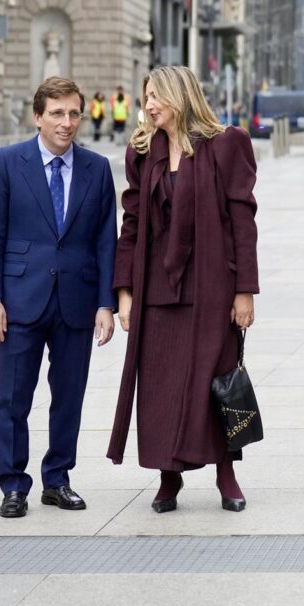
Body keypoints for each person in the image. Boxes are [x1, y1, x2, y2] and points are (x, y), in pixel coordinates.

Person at [106, 65, 259, 513]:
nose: (149, 104)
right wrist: (125, 291)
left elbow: (243, 222)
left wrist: (244, 290)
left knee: (213, 381)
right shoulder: (142, 150)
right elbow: (131, 223)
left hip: (213, 284)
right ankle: (167, 476)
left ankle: (225, 474)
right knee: (159, 386)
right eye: (146, 96)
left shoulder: (227, 143)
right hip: (157, 288)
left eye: (157, 96)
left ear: (181, 95)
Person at [0, 76, 117, 518]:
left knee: (69, 396)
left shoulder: (96, 169)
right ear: (37, 116)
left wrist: (105, 303)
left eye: (74, 113)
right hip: (20, 299)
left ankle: (58, 479)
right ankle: (13, 485)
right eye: (57, 113)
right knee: (13, 398)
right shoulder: (7, 162)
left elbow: (105, 242)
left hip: (75, 300)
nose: (67, 122)